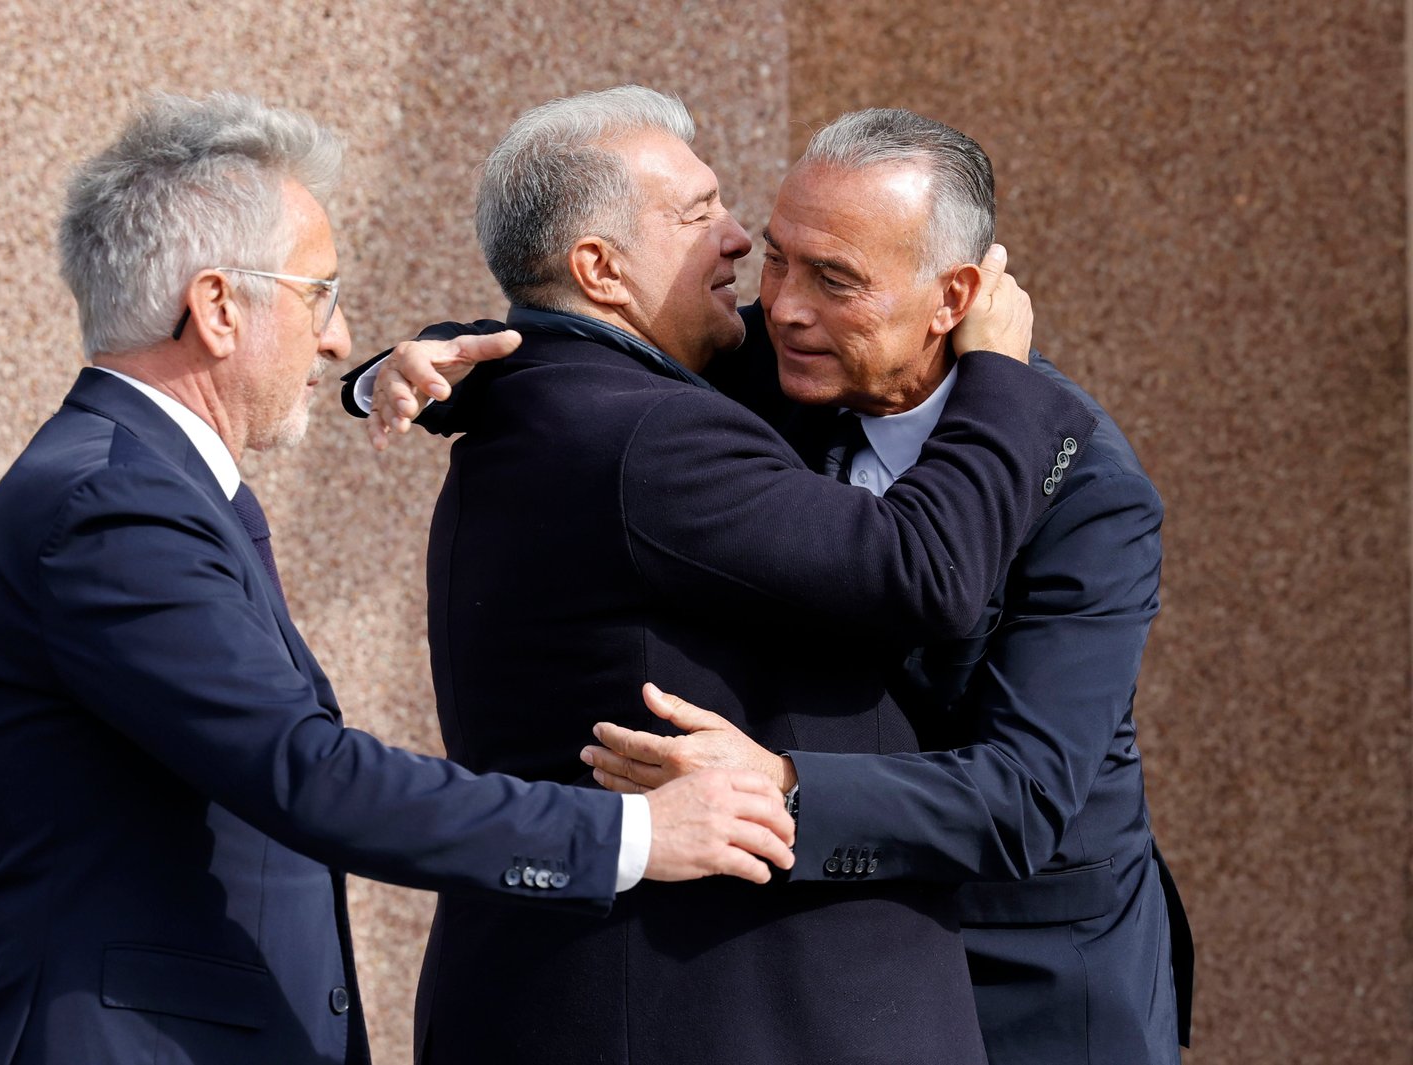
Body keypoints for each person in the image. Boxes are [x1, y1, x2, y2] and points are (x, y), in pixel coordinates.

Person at [0, 91, 801, 1065]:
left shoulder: (138, 483)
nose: (339, 337)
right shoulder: (111, 505)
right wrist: (633, 834)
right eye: (318, 294)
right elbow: (309, 774)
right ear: (217, 307)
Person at [365, 105, 1192, 1065]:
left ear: (954, 298)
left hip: (1042, 971)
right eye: (778, 259)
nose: (787, 305)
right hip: (859, 980)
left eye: (835, 279)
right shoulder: (777, 362)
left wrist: (785, 785)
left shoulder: (1086, 488)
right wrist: (419, 366)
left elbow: (1023, 795)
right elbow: (584, 347)